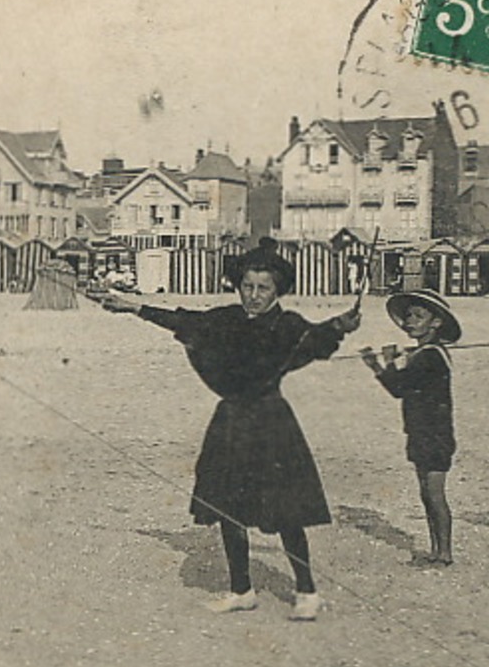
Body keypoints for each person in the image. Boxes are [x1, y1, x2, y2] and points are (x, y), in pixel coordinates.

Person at [103, 238, 361, 621]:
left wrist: (341, 324)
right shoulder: (226, 319)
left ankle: (307, 590)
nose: (254, 296)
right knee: (227, 506)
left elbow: (318, 338)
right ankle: (241, 589)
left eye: (263, 288)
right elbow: (184, 320)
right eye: (248, 286)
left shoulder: (289, 325)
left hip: (272, 424)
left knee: (285, 510)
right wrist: (134, 307)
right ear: (238, 285)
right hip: (231, 423)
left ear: (278, 291)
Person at [362, 290, 460, 566]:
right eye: (408, 316)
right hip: (420, 432)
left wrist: (387, 363)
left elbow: (398, 387)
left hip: (435, 435)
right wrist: (380, 364)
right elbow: (400, 386)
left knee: (434, 494)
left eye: (419, 316)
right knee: (425, 493)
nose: (410, 321)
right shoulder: (423, 354)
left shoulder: (431, 356)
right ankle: (436, 549)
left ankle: (445, 553)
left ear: (436, 323)